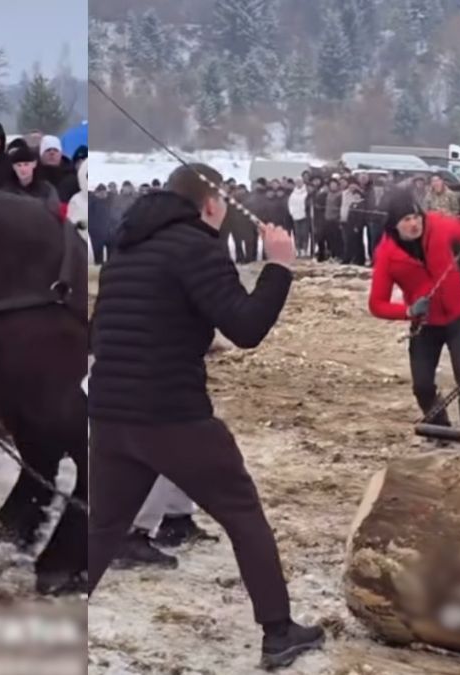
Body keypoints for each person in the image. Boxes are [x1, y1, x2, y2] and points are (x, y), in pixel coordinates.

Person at [88, 163, 325, 671]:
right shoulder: (197, 245)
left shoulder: (127, 248)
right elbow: (246, 327)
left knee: (102, 528)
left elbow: (122, 325)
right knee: (242, 512)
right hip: (171, 413)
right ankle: (279, 632)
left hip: (110, 412)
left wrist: (190, 338)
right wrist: (279, 266)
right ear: (211, 203)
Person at [368, 187, 460, 432]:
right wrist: (408, 311)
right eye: (406, 220)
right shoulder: (386, 255)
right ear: (394, 225)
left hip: (458, 317)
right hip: (425, 324)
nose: (415, 223)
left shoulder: (436, 224)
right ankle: (440, 429)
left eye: (416, 217)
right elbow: (376, 304)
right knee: (422, 386)